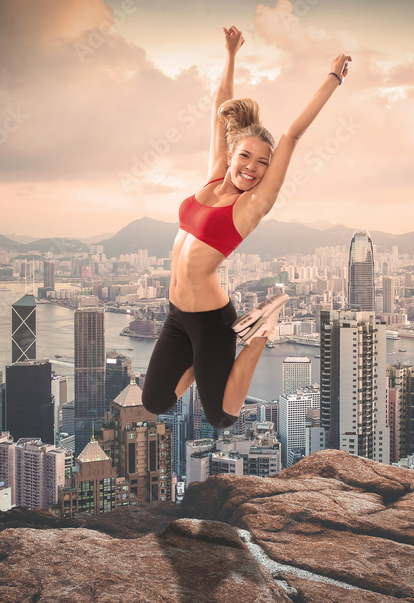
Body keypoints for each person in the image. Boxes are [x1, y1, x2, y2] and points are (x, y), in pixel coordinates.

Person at [142, 25, 351, 429]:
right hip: (176, 315)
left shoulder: (251, 205)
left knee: (221, 415)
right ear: (232, 151)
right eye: (246, 156)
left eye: (262, 163)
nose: (251, 168)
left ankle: (259, 332)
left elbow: (292, 134)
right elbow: (221, 105)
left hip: (210, 320)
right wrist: (231, 53)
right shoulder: (211, 177)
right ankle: (206, 366)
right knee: (155, 401)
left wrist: (333, 78)